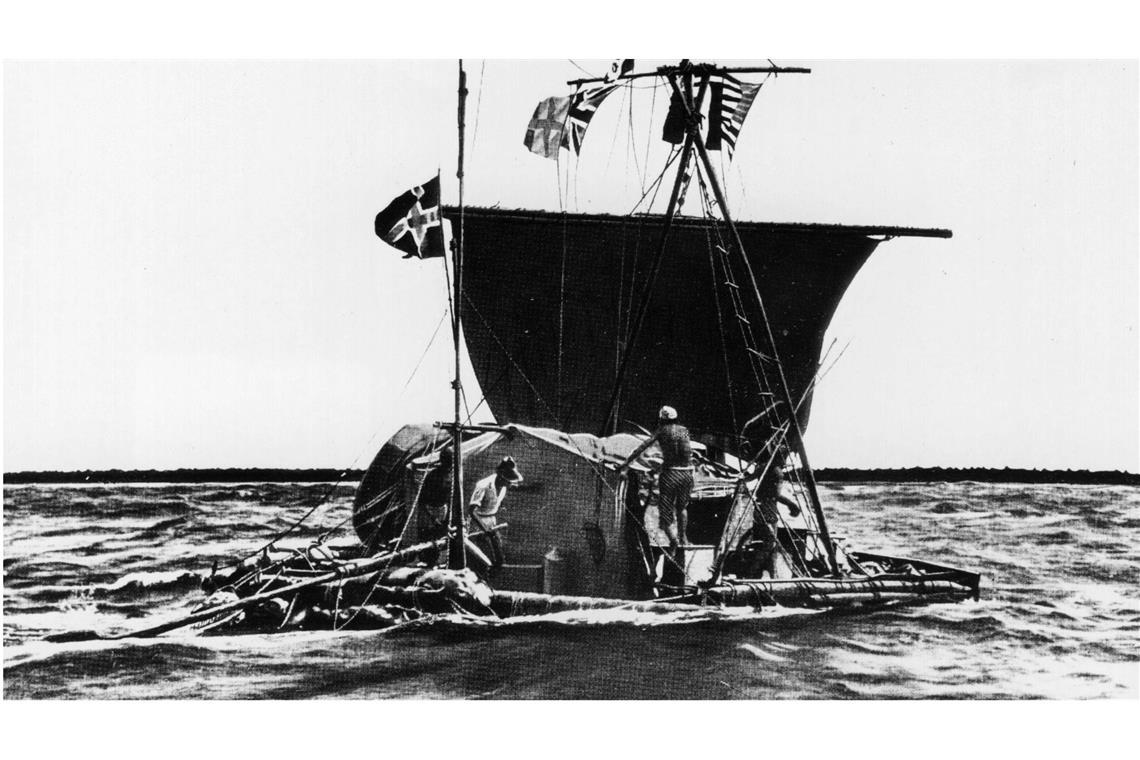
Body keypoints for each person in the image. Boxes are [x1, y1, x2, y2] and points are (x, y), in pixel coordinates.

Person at [618, 406, 694, 571]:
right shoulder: (683, 430)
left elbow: (642, 447)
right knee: (682, 507)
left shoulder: (662, 431)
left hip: (672, 472)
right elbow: (688, 452)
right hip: (688, 472)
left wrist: (625, 466)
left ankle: (673, 542)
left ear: (662, 420)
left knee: (665, 512)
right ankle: (684, 538)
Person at [467, 456, 524, 571]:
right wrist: (484, 529)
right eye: (508, 481)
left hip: (491, 521)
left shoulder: (503, 486)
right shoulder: (484, 485)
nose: (510, 484)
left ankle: (490, 579)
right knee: (482, 559)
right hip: (478, 523)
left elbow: (495, 500)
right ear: (501, 476)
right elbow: (472, 511)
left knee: (499, 559)